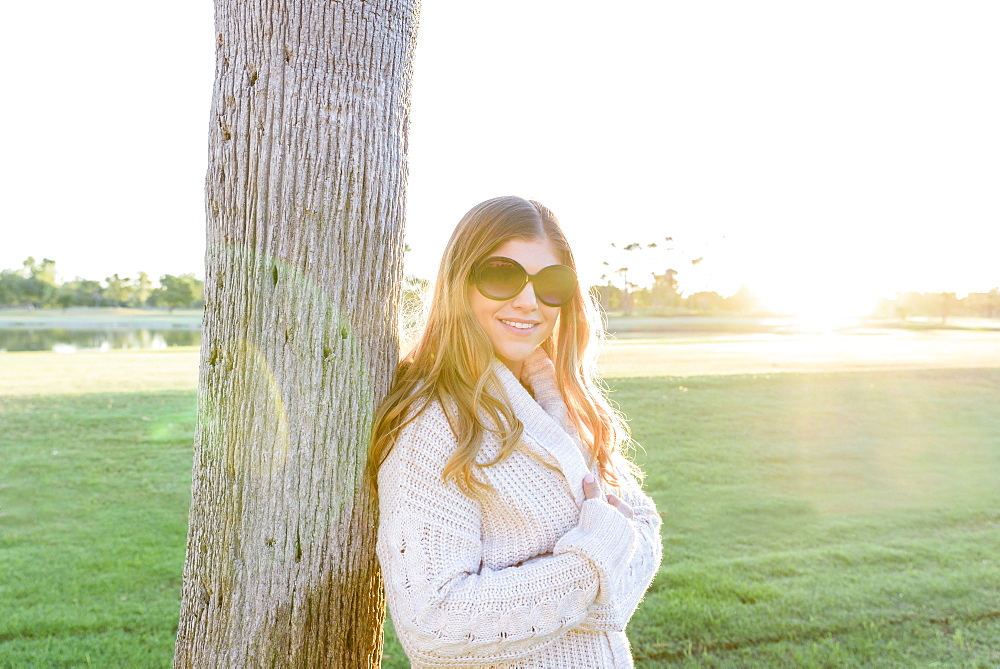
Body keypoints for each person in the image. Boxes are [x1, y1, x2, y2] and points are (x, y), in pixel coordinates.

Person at [368, 196, 662, 667]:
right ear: (460, 283)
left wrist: (599, 564)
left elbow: (643, 529)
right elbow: (433, 624)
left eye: (552, 283)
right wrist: (591, 565)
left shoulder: (561, 404)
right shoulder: (434, 423)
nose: (528, 301)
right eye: (502, 276)